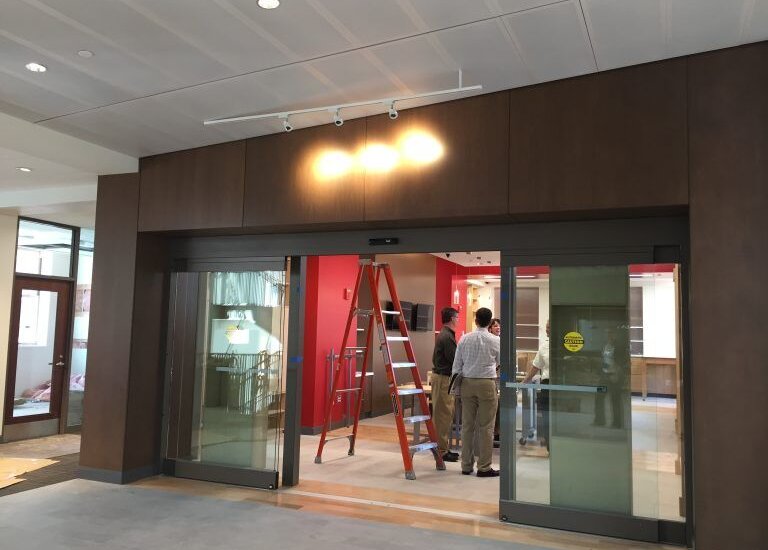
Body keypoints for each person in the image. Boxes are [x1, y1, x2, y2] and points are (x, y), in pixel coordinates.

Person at [452, 307, 500, 477]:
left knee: (467, 426)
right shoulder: (495, 341)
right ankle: (484, 467)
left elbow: (456, 366)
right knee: (486, 427)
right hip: (487, 383)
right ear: (489, 322)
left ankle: (466, 465)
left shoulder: (464, 339)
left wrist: (456, 389)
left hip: (467, 383)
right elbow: (500, 363)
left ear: (476, 320)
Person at [432, 307, 460, 462]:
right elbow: (454, 359)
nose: (458, 320)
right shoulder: (446, 337)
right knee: (443, 415)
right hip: (443, 379)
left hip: (443, 378)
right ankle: (441, 450)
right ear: (452, 318)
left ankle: (443, 448)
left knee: (445, 414)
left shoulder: (445, 335)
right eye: (457, 317)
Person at [522, 320, 550, 452]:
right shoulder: (544, 346)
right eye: (546, 327)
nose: (546, 330)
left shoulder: (565, 344)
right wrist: (525, 381)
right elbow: (536, 366)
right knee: (546, 416)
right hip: (547, 384)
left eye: (549, 328)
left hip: (560, 385)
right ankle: (550, 446)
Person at [488, 318, 502, 447]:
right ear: (490, 328)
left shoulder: (502, 341)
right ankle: (493, 434)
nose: (498, 328)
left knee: (499, 406)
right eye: (495, 326)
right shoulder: (488, 341)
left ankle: (498, 433)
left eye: (499, 326)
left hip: (499, 378)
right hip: (490, 377)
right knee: (493, 407)